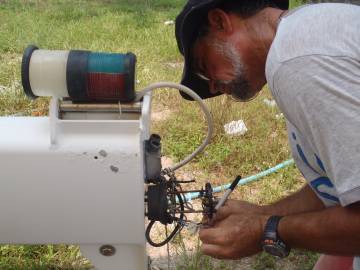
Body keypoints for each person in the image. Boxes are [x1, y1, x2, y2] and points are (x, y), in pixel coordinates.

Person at [175, 1, 360, 269]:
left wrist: (267, 229)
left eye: (205, 66)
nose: (213, 86)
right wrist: (262, 213)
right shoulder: (303, 34)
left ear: (220, 22)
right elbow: (335, 186)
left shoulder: (296, 63)